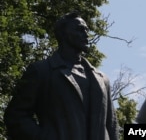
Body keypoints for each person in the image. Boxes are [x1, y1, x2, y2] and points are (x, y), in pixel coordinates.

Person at [4, 12, 119, 140]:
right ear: (63, 34)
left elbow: (112, 126)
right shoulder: (42, 71)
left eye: (87, 30)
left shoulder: (102, 79)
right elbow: (16, 116)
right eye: (80, 29)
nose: (86, 34)